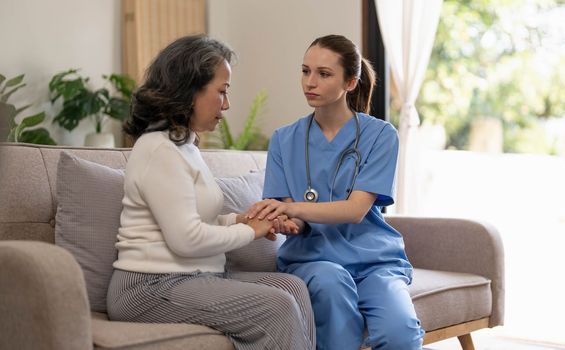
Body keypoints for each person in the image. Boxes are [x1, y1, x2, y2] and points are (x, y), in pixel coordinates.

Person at [106, 34, 315, 350]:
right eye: (222, 92)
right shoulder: (157, 150)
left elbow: (194, 220)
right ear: (190, 90)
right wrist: (250, 232)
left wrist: (239, 220)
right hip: (148, 286)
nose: (227, 104)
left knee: (293, 287)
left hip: (194, 276)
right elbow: (186, 239)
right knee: (278, 306)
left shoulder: (184, 145)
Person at [246, 34, 424, 350]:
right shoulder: (284, 140)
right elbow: (294, 220)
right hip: (313, 260)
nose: (310, 82)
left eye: (324, 74)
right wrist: (284, 222)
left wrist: (293, 209)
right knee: (330, 286)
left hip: (374, 262)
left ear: (350, 83)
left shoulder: (380, 135)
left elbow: (355, 210)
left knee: (401, 332)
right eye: (305, 71)